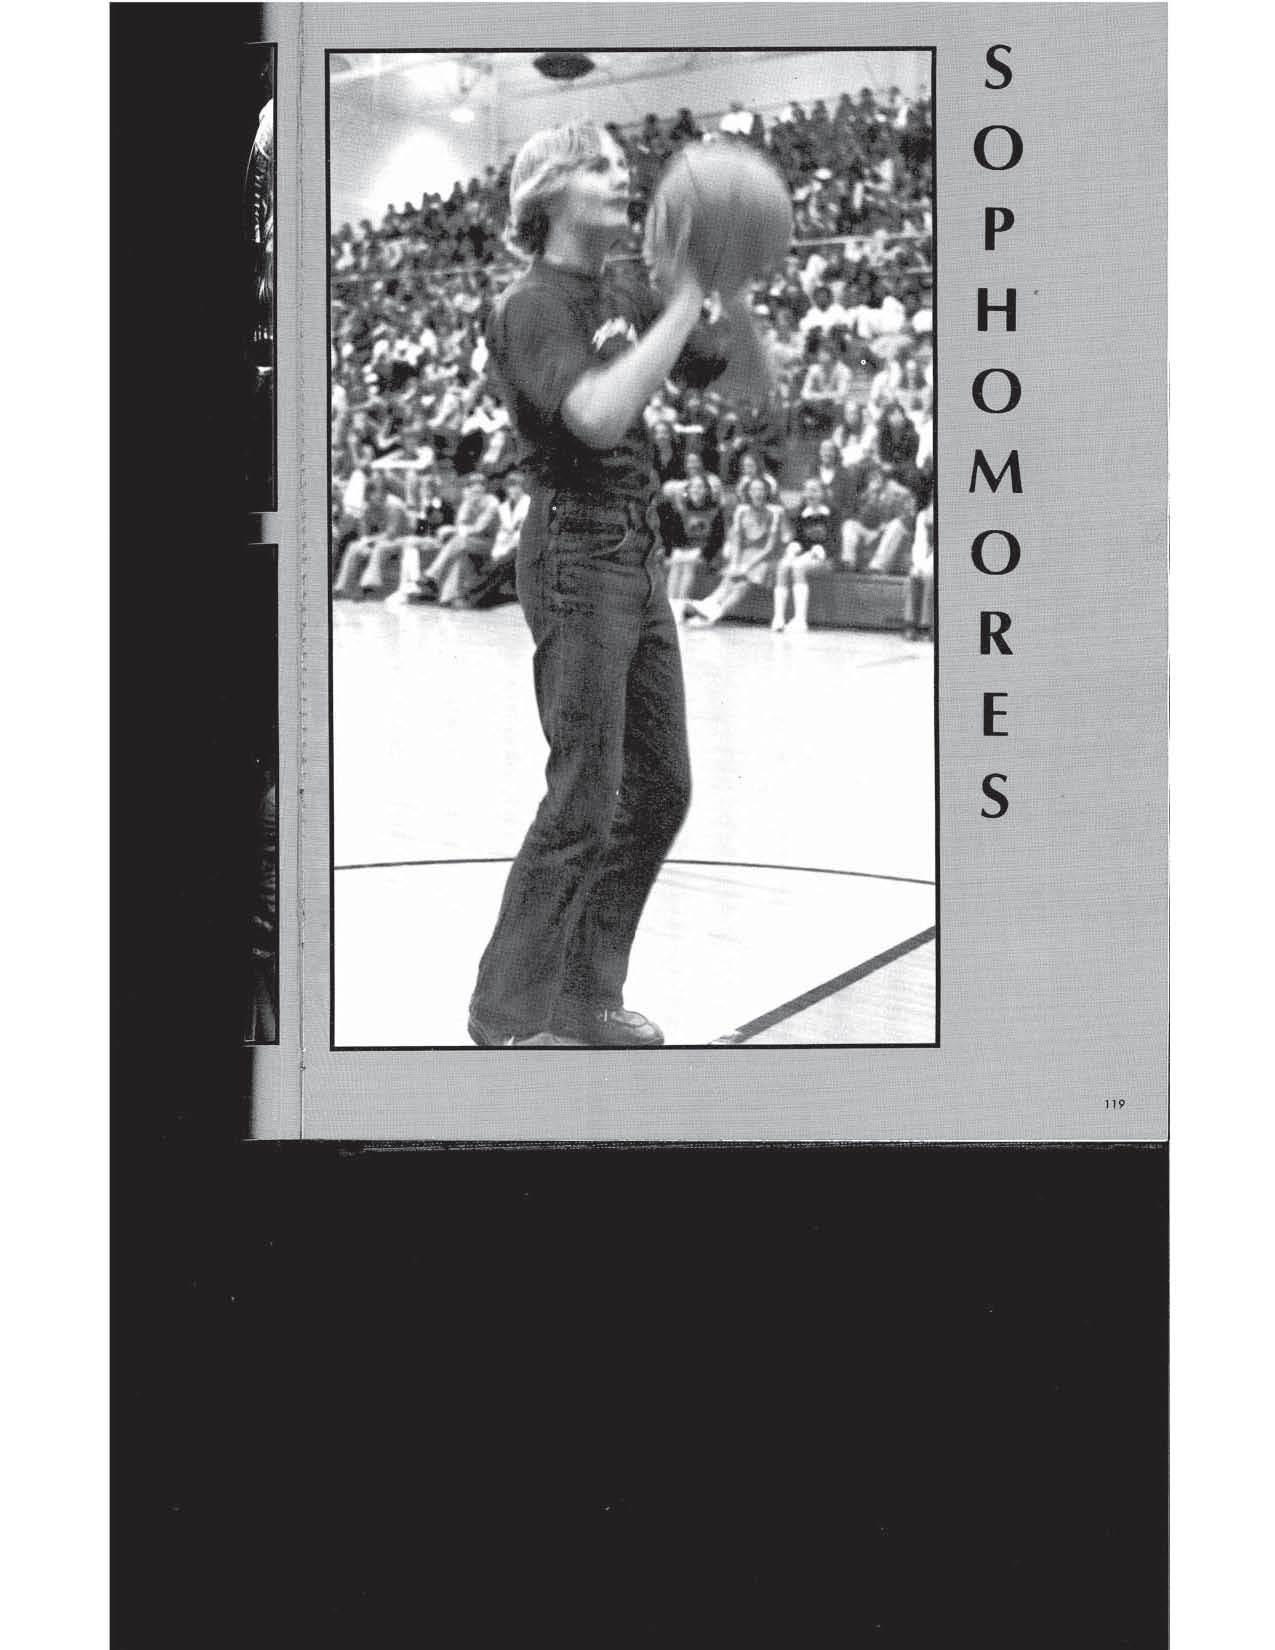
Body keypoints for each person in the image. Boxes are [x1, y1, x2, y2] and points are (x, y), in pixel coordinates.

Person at [467, 119, 770, 1047]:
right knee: (582, 797)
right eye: (598, 165)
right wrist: (680, 305)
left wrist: (722, 283)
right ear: (547, 191)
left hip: (634, 552)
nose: (622, 175)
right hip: (574, 548)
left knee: (660, 789)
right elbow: (595, 417)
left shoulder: (627, 288)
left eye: (619, 163)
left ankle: (582, 995)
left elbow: (739, 377)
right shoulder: (530, 304)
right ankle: (505, 1014)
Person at [684, 475, 788, 627]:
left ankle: (713, 613)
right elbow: (737, 542)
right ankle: (710, 604)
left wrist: (747, 566)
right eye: (754, 489)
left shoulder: (775, 512)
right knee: (733, 575)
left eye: (761, 489)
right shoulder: (741, 511)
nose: (758, 493)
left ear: (767, 492)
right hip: (746, 554)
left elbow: (770, 547)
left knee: (744, 581)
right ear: (748, 492)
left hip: (766, 558)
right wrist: (735, 563)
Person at [772, 476, 837, 632]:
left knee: (798, 567)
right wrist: (794, 548)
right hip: (806, 556)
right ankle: (778, 617)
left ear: (823, 493)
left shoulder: (833, 513)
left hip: (827, 559)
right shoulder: (802, 513)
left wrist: (818, 551)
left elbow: (835, 543)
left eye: (814, 490)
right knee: (783, 565)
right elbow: (799, 539)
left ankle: (800, 619)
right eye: (807, 490)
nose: (809, 494)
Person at [664, 470, 725, 621]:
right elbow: (674, 536)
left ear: (707, 491)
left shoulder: (715, 511)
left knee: (688, 564)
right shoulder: (681, 509)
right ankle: (671, 608)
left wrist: (703, 554)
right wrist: (673, 552)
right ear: (688, 490)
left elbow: (717, 539)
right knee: (677, 563)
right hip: (685, 550)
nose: (696, 490)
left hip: (705, 552)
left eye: (700, 487)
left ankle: (679, 610)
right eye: (693, 487)